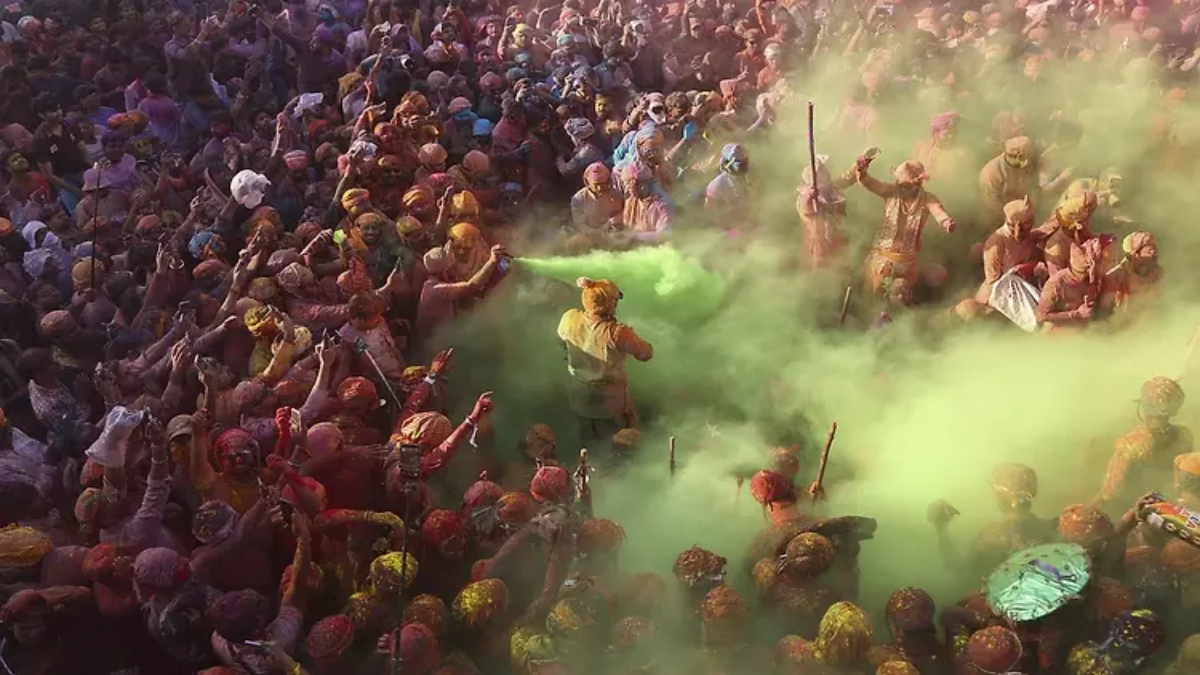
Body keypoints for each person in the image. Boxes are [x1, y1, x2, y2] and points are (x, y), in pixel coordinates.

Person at [557, 277, 653, 436]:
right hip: (609, 402)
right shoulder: (618, 332)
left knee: (586, 435)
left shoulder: (569, 318)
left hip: (579, 395)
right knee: (619, 437)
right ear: (611, 304)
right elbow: (646, 354)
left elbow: (561, 342)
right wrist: (631, 336)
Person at [857, 157, 956, 303]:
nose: (907, 189)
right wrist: (862, 171)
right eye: (904, 185)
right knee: (874, 297)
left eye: (911, 185)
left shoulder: (927, 198)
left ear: (919, 183)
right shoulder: (891, 191)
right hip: (882, 259)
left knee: (903, 298)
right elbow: (870, 183)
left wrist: (946, 222)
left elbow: (937, 210)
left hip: (907, 263)